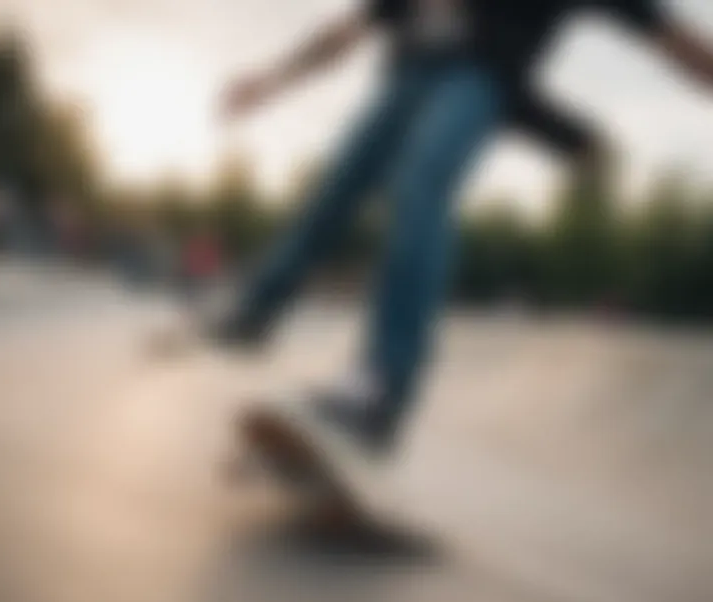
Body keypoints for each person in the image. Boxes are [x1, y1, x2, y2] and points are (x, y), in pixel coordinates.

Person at [213, 0, 713, 458]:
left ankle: (379, 390)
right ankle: (252, 315)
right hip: (405, 79)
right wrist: (270, 82)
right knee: (330, 197)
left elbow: (670, 37)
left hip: (475, 83)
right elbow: (347, 32)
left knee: (421, 185)